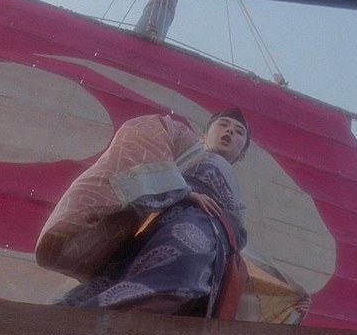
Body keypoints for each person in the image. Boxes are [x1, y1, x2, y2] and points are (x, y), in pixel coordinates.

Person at [36, 108, 251, 318]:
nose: (229, 131)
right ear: (203, 136)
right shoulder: (189, 146)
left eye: (239, 131)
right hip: (181, 222)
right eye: (223, 125)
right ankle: (97, 315)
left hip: (218, 243)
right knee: (182, 269)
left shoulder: (236, 191)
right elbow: (147, 132)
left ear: (242, 155)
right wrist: (186, 192)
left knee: (195, 290)